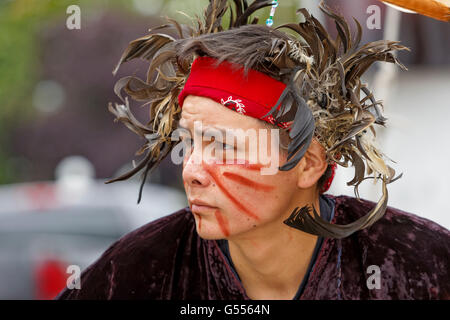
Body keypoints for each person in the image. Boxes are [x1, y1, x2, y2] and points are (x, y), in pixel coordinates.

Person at [56, 0, 449, 300]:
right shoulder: (139, 270)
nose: (191, 170)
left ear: (308, 162)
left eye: (223, 145)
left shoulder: (419, 264)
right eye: (190, 142)